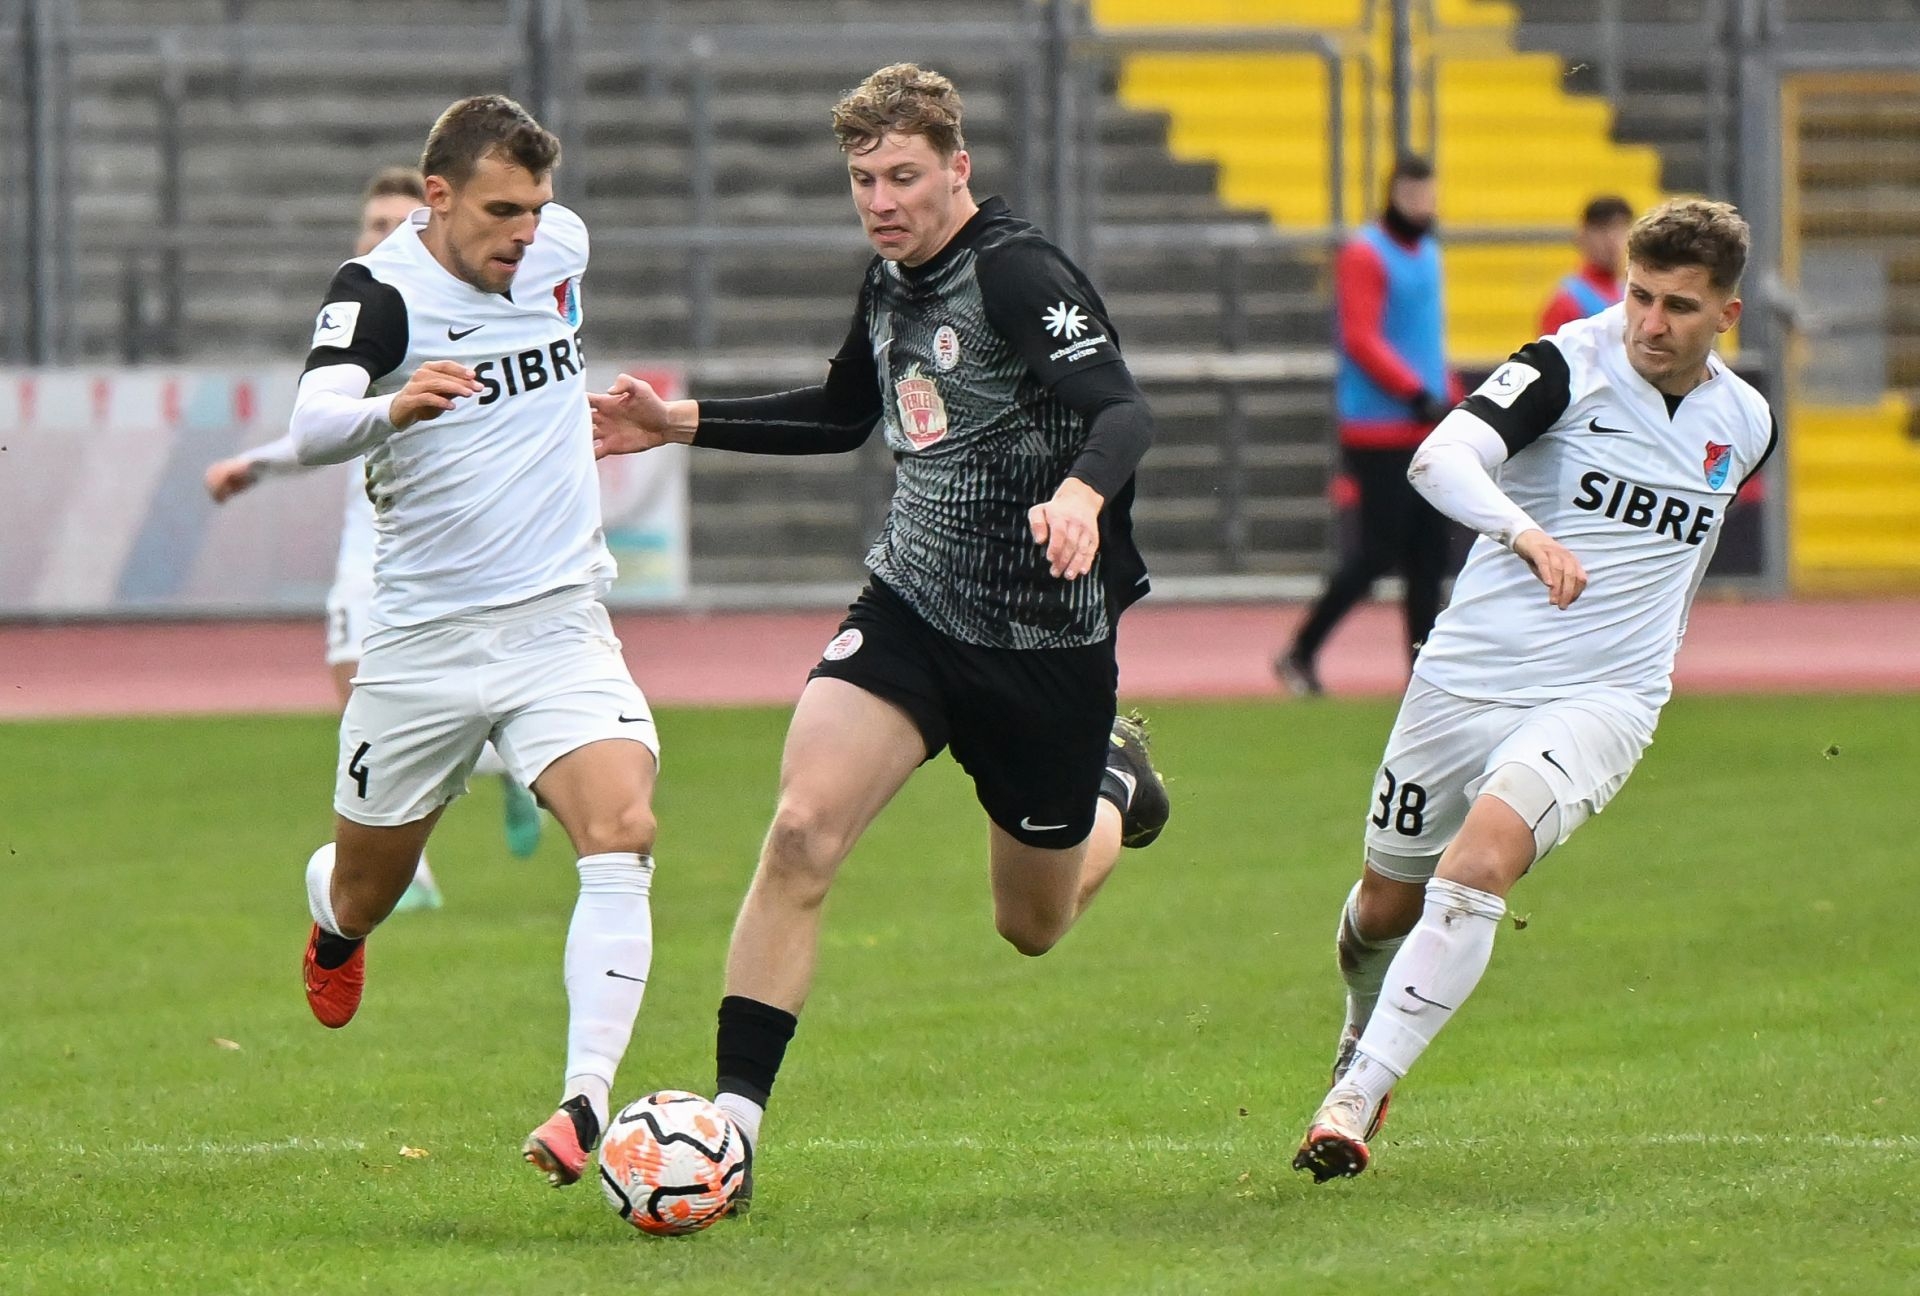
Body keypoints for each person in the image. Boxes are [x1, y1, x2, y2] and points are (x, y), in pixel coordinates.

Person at [588, 63, 1171, 1214]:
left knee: (1032, 925)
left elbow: (1123, 409)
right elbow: (843, 413)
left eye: (902, 176)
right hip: (910, 610)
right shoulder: (890, 280)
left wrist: (1081, 495)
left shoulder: (1017, 273)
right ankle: (733, 1135)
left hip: (1043, 645)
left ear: (958, 168)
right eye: (863, 180)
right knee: (800, 833)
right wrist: (674, 424)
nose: (881, 201)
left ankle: (1113, 782)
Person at [1291, 198, 1777, 1182]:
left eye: (1679, 307)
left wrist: (1649, 650)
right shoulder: (1565, 364)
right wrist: (1524, 532)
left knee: (1478, 868)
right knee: (1384, 905)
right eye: (1639, 296)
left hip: (1606, 696)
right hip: (1466, 679)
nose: (1650, 323)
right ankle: (1360, 1028)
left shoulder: (1747, 422)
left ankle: (1356, 1095)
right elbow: (1440, 456)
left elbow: (1682, 560)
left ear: (1727, 315)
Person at [288, 96, 663, 1192]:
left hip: (558, 621)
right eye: (502, 211)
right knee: (369, 888)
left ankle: (586, 1101)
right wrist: (393, 410)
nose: (526, 232)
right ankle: (334, 923)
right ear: (438, 197)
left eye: (537, 207)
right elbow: (311, 426)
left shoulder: (559, 248)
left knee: (624, 828)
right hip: (423, 644)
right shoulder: (377, 294)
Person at [204, 167, 544, 909]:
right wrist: (254, 466)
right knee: (366, 707)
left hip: (421, 556)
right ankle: (444, 834)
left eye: (399, 221)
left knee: (388, 710)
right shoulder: (362, 311)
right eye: (373, 224)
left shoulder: (443, 320)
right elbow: (322, 429)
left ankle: (487, 789)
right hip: (369, 551)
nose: (384, 235)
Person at [1277, 155, 1459, 697]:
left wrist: (1450, 395)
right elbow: (1360, 337)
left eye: (1427, 194)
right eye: (1412, 194)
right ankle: (1301, 650)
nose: (1421, 205)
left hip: (1424, 427)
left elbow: (1428, 340)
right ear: (1392, 193)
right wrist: (1414, 391)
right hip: (1377, 429)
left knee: (1430, 556)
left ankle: (1424, 675)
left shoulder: (1429, 252)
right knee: (1380, 551)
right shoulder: (1364, 253)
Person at [1539, 195, 1634, 335]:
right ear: (1582, 236)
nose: (1612, 241)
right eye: (1602, 230)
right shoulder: (1565, 302)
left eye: (1620, 229)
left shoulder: (1631, 291)